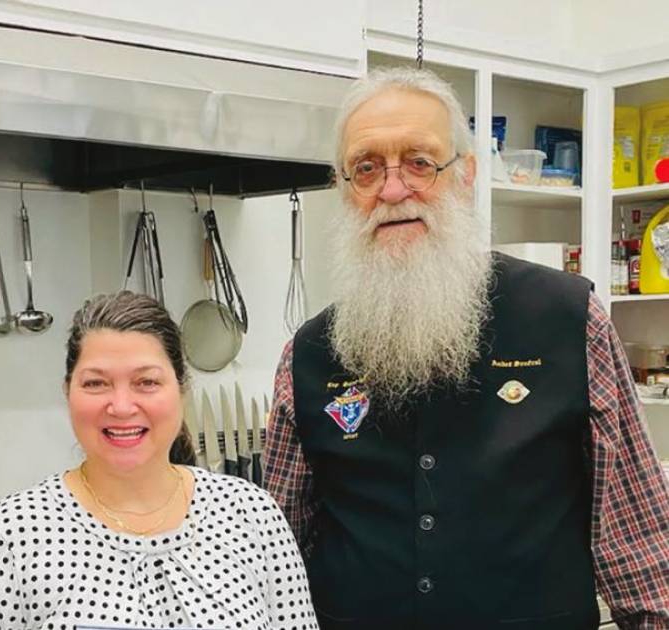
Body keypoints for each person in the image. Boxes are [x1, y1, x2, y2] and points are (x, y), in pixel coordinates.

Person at [264, 66, 669, 629]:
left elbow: (639, 542)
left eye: (420, 162)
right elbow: (277, 553)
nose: (393, 188)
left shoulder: (570, 320)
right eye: (366, 168)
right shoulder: (306, 356)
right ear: (344, 188)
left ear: (465, 175)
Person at [0, 291, 318, 629]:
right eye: (95, 383)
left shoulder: (252, 516)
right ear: (67, 391)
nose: (121, 406)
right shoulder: (4, 539)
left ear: (181, 389)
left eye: (147, 382)